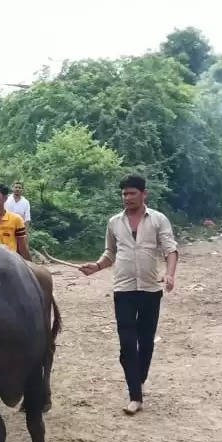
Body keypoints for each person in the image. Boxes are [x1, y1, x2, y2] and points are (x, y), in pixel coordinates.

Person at [78, 175, 178, 415]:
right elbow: (110, 253)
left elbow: (170, 249)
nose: (127, 198)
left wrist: (170, 274)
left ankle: (138, 379)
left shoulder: (157, 219)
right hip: (123, 290)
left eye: (132, 193)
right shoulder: (114, 222)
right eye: (124, 194)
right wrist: (97, 266)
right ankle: (135, 395)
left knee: (145, 342)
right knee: (126, 346)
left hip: (150, 290)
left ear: (144, 194)